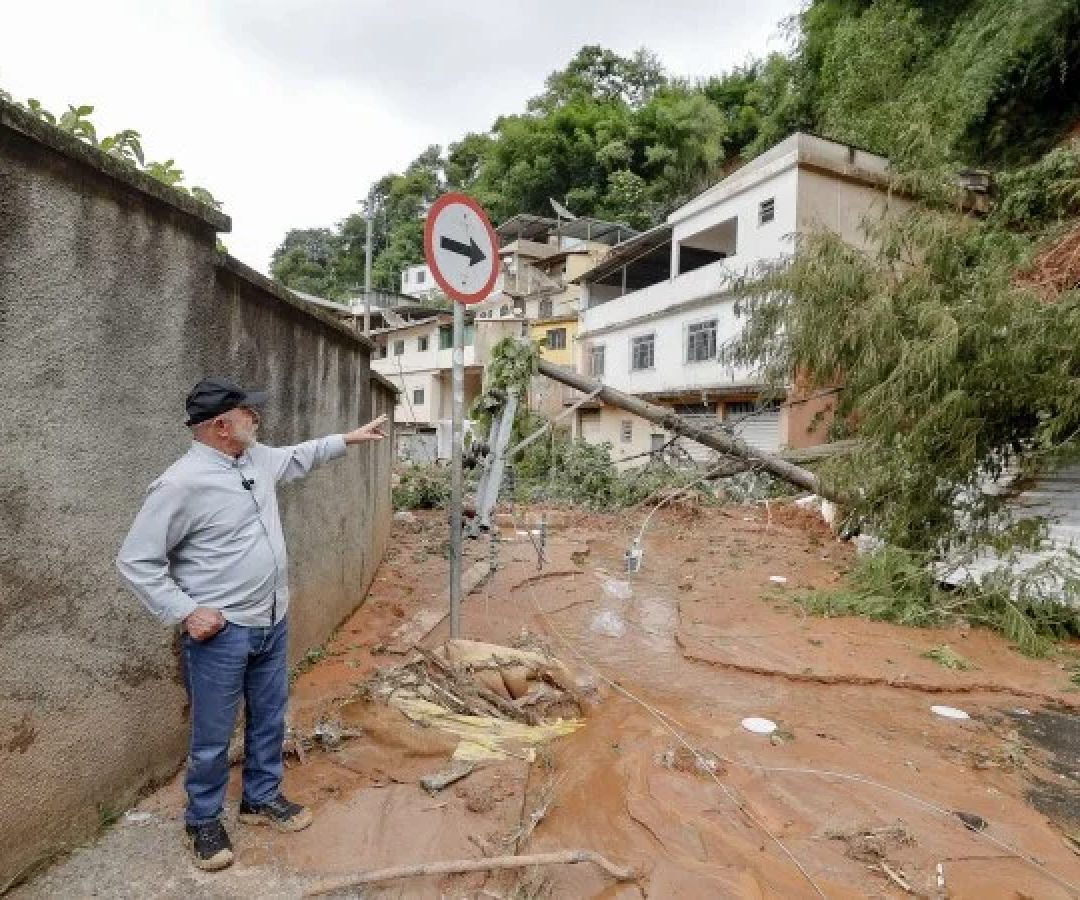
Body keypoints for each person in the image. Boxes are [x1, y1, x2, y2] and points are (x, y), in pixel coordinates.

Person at [116, 377, 387, 871]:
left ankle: (260, 798)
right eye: (248, 412)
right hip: (223, 633)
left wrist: (348, 438)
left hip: (271, 618)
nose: (257, 417)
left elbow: (299, 455)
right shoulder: (181, 483)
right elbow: (136, 560)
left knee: (269, 716)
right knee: (213, 733)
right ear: (222, 426)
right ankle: (202, 820)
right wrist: (185, 611)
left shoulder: (255, 459)